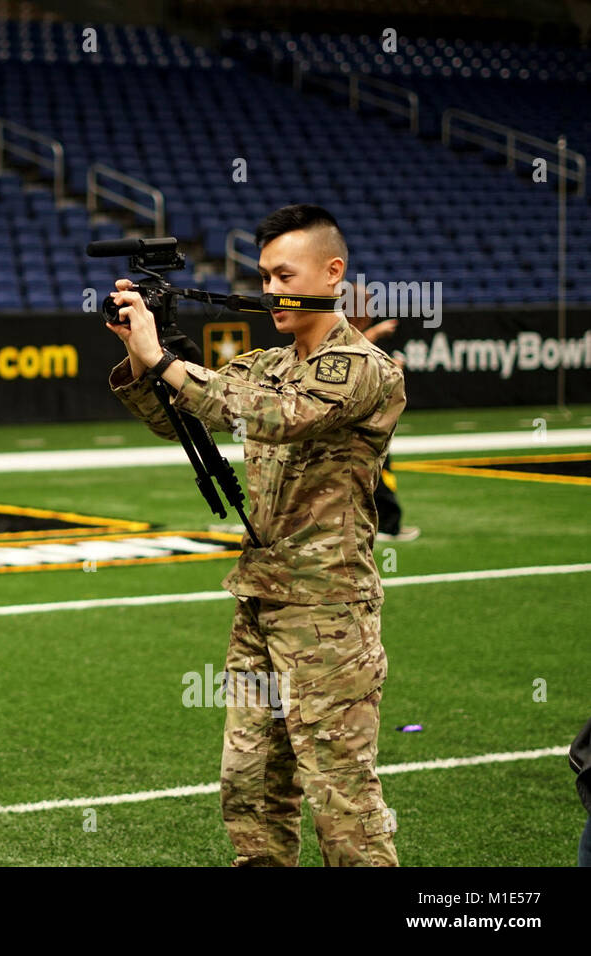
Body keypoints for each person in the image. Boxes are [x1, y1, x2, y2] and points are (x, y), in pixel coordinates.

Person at [106, 204, 404, 866]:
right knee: (250, 792)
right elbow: (179, 414)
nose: (268, 290)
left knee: (341, 801)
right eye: (263, 276)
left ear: (333, 273)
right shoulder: (265, 362)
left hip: (329, 615)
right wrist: (140, 355)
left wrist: (166, 360)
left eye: (282, 274)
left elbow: (277, 416)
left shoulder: (362, 367)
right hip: (261, 604)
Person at [347, 282, 419, 542]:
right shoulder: (349, 336)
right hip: (364, 423)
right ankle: (387, 524)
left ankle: (375, 523)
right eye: (366, 303)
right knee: (377, 469)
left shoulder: (348, 334)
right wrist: (392, 367)